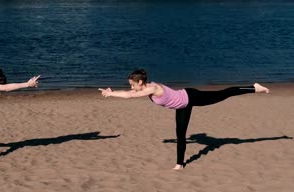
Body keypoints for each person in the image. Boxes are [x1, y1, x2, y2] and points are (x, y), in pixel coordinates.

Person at [99, 69, 270, 170]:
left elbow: (129, 96)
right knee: (180, 135)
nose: (131, 87)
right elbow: (130, 93)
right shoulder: (144, 88)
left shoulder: (152, 88)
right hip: (182, 106)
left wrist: (111, 93)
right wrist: (111, 92)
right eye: (131, 84)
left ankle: (254, 87)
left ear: (141, 81)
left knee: (224, 94)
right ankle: (180, 164)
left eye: (133, 84)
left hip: (191, 96)